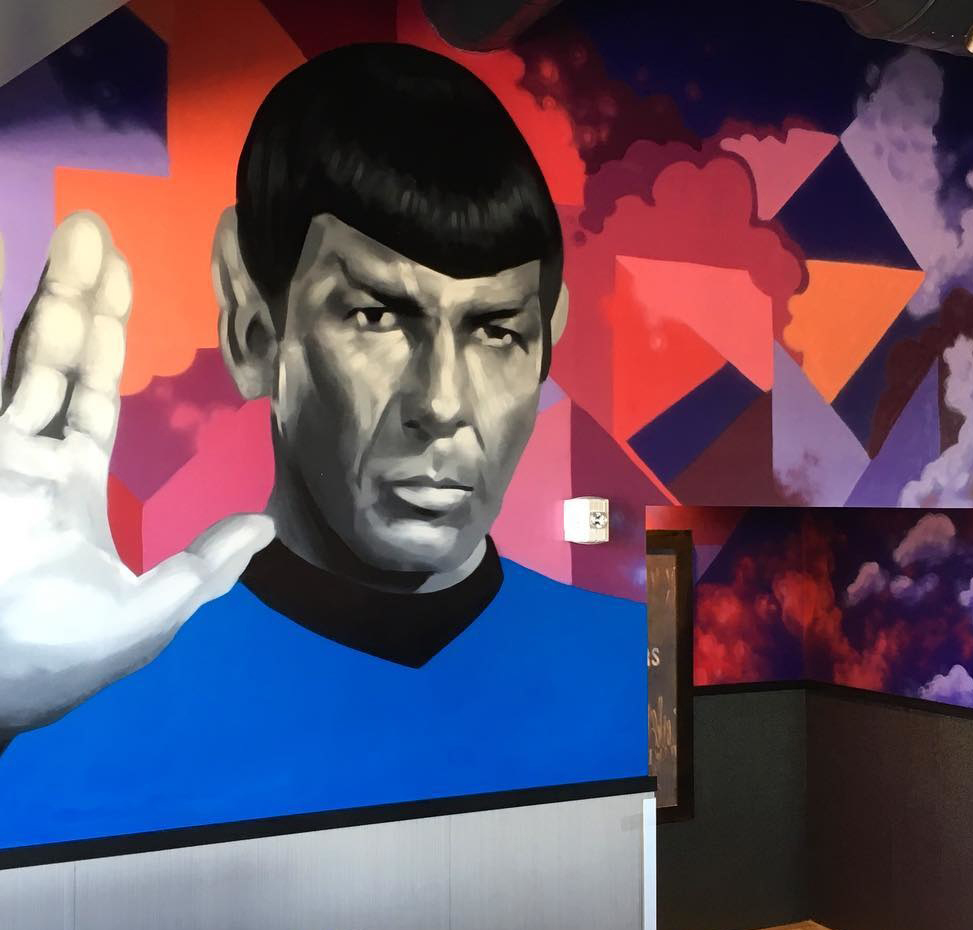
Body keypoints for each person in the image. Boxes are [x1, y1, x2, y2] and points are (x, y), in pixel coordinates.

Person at [0, 44, 644, 850]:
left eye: (496, 330)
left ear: (548, 343)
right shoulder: (70, 707)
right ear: (255, 330)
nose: (443, 403)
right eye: (376, 316)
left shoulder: (628, 664)